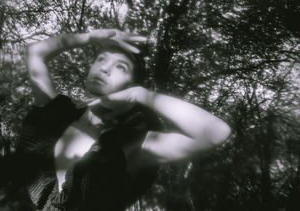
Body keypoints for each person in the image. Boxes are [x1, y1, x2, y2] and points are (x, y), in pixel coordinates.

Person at [18, 28, 231, 210]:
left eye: (120, 67)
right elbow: (35, 52)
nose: (104, 68)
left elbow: (216, 132)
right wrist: (93, 36)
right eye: (101, 59)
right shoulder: (58, 113)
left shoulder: (135, 144)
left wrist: (142, 95)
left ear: (131, 85)